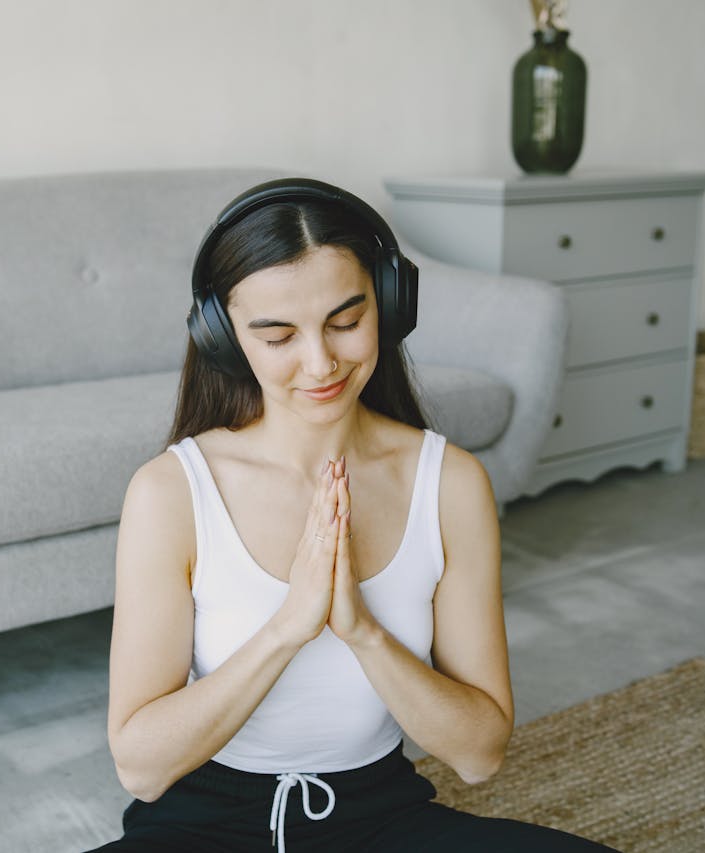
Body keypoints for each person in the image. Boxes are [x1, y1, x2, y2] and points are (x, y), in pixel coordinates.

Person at [89, 179, 618, 852]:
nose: (321, 363)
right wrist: (287, 627)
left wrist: (362, 630)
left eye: (345, 321)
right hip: (203, 822)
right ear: (225, 338)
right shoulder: (171, 491)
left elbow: (480, 753)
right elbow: (140, 766)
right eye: (279, 335)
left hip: (382, 816)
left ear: (390, 305)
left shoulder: (449, 482)